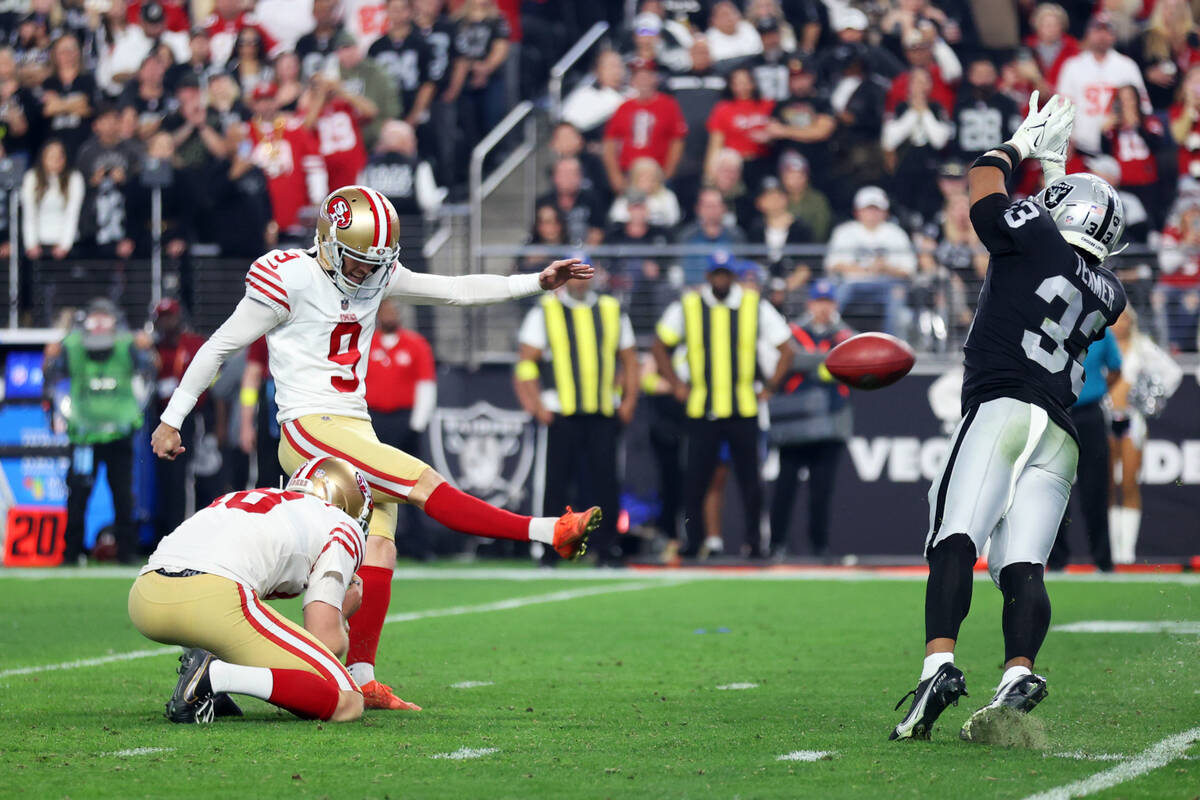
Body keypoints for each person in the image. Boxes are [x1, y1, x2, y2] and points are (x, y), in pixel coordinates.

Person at [151, 185, 601, 712]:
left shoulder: (378, 270)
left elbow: (454, 288)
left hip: (355, 426)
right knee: (420, 482)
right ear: (327, 241)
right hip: (309, 427)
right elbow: (220, 346)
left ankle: (361, 674)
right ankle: (548, 532)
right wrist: (171, 418)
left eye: (375, 263)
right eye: (358, 260)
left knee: (382, 547)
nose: (366, 273)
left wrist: (535, 282)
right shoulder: (288, 277)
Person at [890, 92, 1128, 742]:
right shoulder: (1109, 291)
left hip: (1003, 407)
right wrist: (1056, 175)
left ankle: (938, 663)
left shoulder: (1037, 240)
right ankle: (1018, 671)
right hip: (1059, 432)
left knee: (954, 536)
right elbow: (1062, 242)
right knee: (1022, 564)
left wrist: (1017, 145)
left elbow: (982, 184)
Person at [129, 456, 374, 723]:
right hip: (209, 600)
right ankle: (217, 677)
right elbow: (325, 639)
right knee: (348, 701)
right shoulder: (342, 524)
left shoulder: (247, 498)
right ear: (349, 505)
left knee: (235, 602)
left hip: (145, 597)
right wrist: (342, 613)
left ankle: (207, 675)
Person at [652, 251, 793, 558]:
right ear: (708, 276)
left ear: (734, 276)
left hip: (743, 407)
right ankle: (694, 542)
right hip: (702, 408)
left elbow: (786, 347)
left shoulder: (753, 305)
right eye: (717, 274)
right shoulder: (689, 306)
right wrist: (676, 384)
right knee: (695, 481)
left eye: (726, 274)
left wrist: (769, 386)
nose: (721, 279)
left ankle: (755, 543)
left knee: (750, 483)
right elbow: (659, 344)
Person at [514, 276, 639, 566]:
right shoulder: (545, 310)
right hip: (561, 412)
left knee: (606, 485)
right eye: (574, 277)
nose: (580, 284)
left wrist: (630, 400)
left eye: (584, 278)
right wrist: (535, 404)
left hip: (602, 411)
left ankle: (607, 549)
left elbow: (630, 359)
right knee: (556, 485)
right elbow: (525, 361)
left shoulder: (611, 309)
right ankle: (549, 550)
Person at [44, 299, 155, 565]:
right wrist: (55, 409)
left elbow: (150, 372)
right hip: (84, 436)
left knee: (123, 496)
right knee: (78, 495)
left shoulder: (128, 344)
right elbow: (51, 379)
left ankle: (127, 553)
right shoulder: (70, 346)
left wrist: (148, 352)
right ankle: (71, 554)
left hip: (119, 434)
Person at [767, 279, 853, 559]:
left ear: (835, 305)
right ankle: (776, 544)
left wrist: (810, 363)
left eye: (828, 302)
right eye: (819, 302)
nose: (823, 308)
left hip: (830, 424)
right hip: (795, 422)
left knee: (821, 492)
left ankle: (820, 547)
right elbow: (788, 358)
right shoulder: (792, 332)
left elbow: (856, 359)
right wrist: (828, 363)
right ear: (810, 304)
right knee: (785, 488)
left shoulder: (845, 334)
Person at [1107, 308, 1183, 564]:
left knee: (1129, 482)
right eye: (1117, 318)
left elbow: (1173, 373)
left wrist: (1151, 399)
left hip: (1132, 419)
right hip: (1104, 417)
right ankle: (1110, 550)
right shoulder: (1100, 342)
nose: (1121, 323)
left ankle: (1125, 553)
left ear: (1133, 321)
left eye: (1126, 318)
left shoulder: (1143, 347)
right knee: (1107, 483)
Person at [1045, 326, 1121, 573]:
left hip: (1089, 414)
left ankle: (1103, 561)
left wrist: (1094, 389)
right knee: (1053, 487)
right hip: (1056, 412)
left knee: (1096, 489)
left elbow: (1116, 369)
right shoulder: (1051, 329)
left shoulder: (1099, 330)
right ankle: (1056, 562)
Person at [365, 299, 436, 561]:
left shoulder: (415, 344)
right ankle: (367, 543)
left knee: (413, 482)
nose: (388, 315)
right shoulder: (367, 343)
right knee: (369, 484)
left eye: (393, 310)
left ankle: (420, 545)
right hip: (373, 420)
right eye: (384, 311)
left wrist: (416, 424)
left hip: (404, 419)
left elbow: (426, 385)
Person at [151, 298, 210, 543]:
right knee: (166, 478)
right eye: (162, 317)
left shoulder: (194, 345)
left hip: (191, 418)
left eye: (170, 316)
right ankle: (167, 533)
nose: (167, 322)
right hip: (161, 418)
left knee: (187, 477)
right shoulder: (155, 349)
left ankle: (187, 535)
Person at [823, 186, 916, 335]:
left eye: (876, 209)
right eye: (868, 209)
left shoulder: (896, 233)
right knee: (836, 290)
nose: (872, 214)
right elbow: (832, 264)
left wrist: (885, 268)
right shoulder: (845, 231)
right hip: (851, 283)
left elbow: (908, 270)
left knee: (898, 293)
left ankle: (891, 342)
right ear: (857, 211)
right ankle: (829, 335)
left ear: (885, 212)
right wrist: (861, 270)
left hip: (885, 284)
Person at [1055, 13, 1148, 155]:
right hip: (1081, 146)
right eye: (1097, 30)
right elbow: (1062, 108)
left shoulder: (1127, 65)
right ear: (1088, 34)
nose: (1102, 36)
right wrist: (1066, 138)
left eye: (1107, 31)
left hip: (1119, 147)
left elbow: (1143, 106)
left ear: (1114, 35)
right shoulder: (1072, 66)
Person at [603, 57, 687, 195]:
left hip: (658, 173)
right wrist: (615, 176)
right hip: (629, 174)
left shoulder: (668, 105)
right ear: (632, 81)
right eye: (638, 76)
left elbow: (677, 141)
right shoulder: (623, 107)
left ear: (655, 78)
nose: (642, 80)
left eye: (647, 76)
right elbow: (610, 143)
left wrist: (668, 172)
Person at [368, 0, 436, 130]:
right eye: (394, 9)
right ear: (386, 10)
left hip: (414, 111)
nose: (398, 13)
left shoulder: (422, 45)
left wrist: (415, 116)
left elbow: (428, 84)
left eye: (402, 9)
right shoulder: (376, 48)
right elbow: (372, 86)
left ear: (411, 11)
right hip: (385, 115)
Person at [21, 139, 84, 263]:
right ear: (43, 158)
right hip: (38, 243)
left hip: (67, 244)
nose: (56, 161)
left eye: (60, 156)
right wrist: (31, 243)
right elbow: (29, 213)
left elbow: (72, 213)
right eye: (51, 156)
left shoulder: (74, 178)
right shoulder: (31, 177)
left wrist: (65, 245)